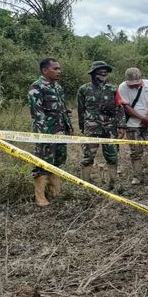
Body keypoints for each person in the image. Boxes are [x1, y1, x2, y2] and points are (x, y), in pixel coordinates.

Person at [28, 58, 73, 206]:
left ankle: (55, 193)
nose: (59, 71)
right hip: (46, 134)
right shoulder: (36, 87)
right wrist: (44, 136)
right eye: (55, 69)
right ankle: (40, 197)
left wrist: (69, 128)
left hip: (60, 132)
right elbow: (37, 114)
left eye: (59, 68)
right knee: (42, 164)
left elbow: (63, 110)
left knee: (58, 162)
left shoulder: (58, 87)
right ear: (45, 70)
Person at [77, 61, 125, 189]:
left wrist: (121, 126)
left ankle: (113, 184)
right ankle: (85, 186)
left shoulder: (113, 89)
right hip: (91, 128)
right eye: (100, 72)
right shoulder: (84, 89)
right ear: (93, 73)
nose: (103, 74)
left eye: (105, 72)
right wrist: (83, 127)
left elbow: (120, 108)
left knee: (112, 156)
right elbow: (80, 110)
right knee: (88, 156)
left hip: (110, 128)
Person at [118, 67, 148, 185]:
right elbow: (126, 107)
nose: (134, 86)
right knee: (135, 151)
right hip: (132, 125)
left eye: (136, 83)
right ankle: (137, 176)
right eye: (131, 84)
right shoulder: (122, 87)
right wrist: (141, 118)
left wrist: (147, 117)